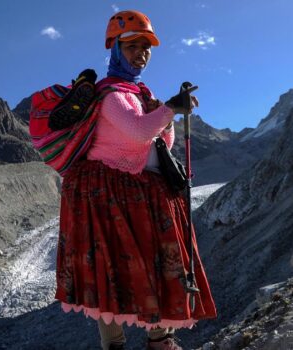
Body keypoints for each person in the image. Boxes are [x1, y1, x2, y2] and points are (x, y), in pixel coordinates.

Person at [55, 10, 217, 350]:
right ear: (114, 48)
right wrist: (170, 109)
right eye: (132, 46)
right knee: (115, 266)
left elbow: (160, 141)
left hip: (127, 193)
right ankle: (126, 343)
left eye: (146, 47)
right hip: (108, 193)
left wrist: (166, 114)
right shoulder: (111, 94)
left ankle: (156, 340)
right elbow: (139, 130)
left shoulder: (136, 92)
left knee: (123, 267)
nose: (140, 53)